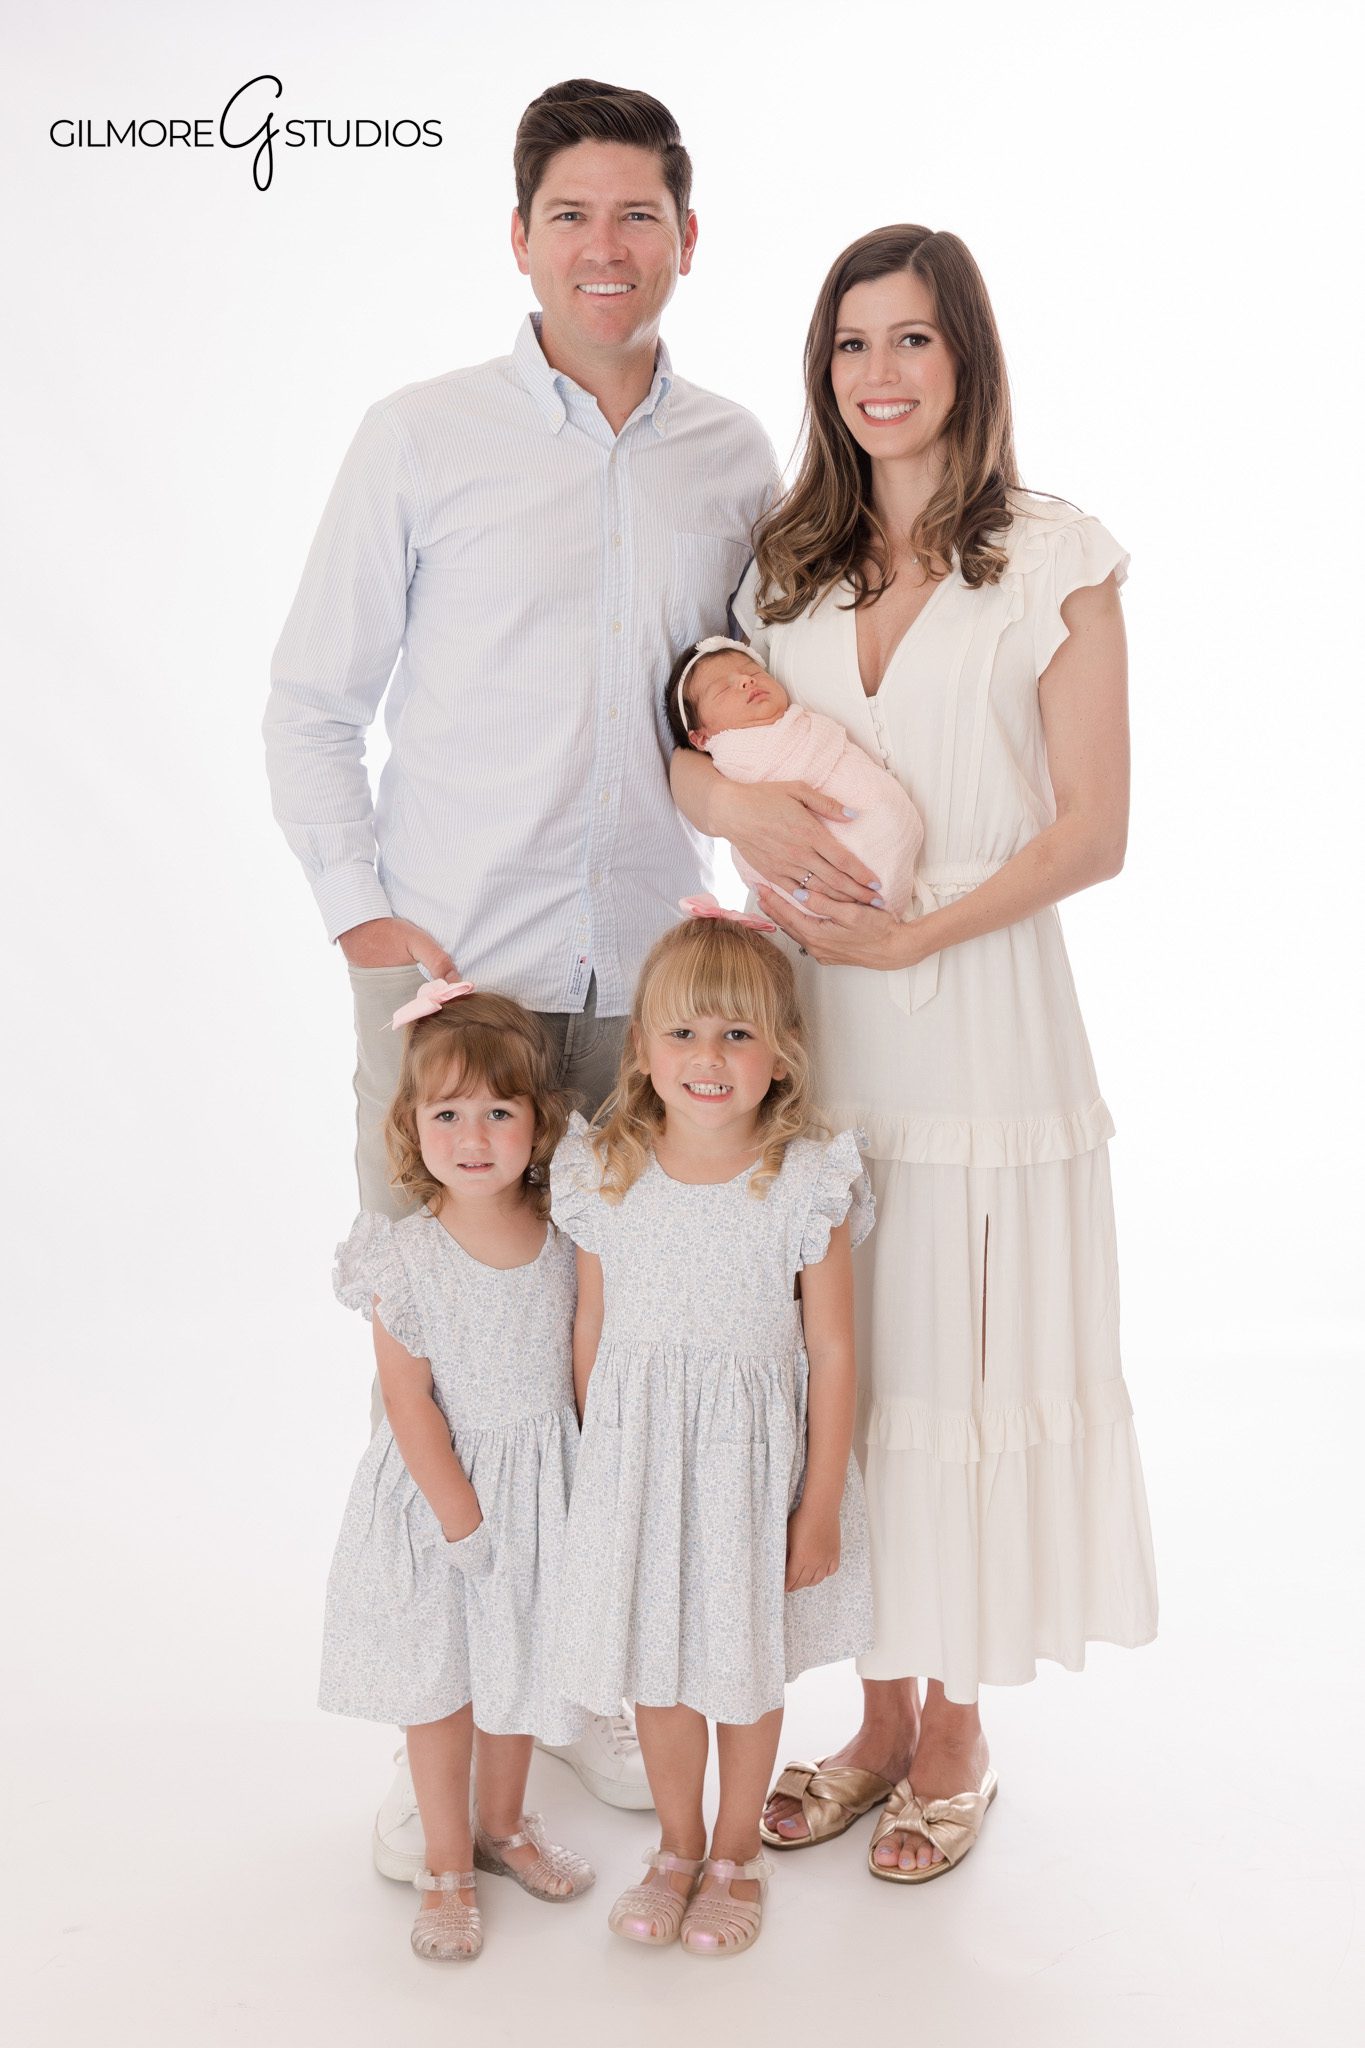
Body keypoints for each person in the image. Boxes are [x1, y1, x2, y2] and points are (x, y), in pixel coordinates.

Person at [264, 76, 777, 1855]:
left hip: (651, 991)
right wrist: (360, 912)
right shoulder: (421, 436)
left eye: (637, 214)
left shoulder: (736, 459)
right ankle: (446, 1712)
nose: (604, 246)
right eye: (571, 214)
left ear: (687, 239)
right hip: (452, 994)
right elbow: (311, 702)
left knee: (618, 1359)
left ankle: (587, 1693)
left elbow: (744, 707)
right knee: (448, 1355)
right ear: (518, 238)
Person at [671, 225, 1157, 1882]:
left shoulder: (1055, 556)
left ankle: (952, 1730)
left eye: (912, 340)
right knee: (848, 1365)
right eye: (850, 344)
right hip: (821, 1019)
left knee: (964, 1355)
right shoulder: (781, 564)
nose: (878, 374)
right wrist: (724, 801)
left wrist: (917, 936)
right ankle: (874, 1718)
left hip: (982, 1009)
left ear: (967, 359)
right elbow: (693, 743)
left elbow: (1094, 831)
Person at [549, 905, 873, 1954]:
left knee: (740, 1663)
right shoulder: (605, 1169)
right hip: (639, 1469)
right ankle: (677, 1845)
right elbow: (591, 1327)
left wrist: (818, 1504)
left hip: (748, 1475)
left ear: (781, 1055)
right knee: (656, 1667)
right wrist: (602, 1465)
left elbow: (833, 1351)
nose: (709, 1058)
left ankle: (737, 1852)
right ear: (642, 1051)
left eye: (738, 1034)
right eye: (683, 1032)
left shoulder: (805, 1178)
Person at [324, 984, 594, 1960]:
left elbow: (582, 1366)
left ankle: (503, 1824)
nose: (472, 1137)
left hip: (541, 1490)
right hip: (443, 1505)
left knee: (520, 1670)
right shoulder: (402, 1256)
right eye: (446, 1114)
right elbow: (409, 1403)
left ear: (539, 1122)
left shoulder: (567, 1238)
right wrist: (462, 1520)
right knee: (441, 1689)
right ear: (411, 1124)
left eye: (498, 1112)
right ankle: (444, 1859)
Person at [666, 635, 924, 914]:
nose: (746, 681)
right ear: (701, 738)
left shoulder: (800, 722)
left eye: (753, 672)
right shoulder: (731, 763)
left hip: (885, 827)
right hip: (807, 878)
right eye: (723, 689)